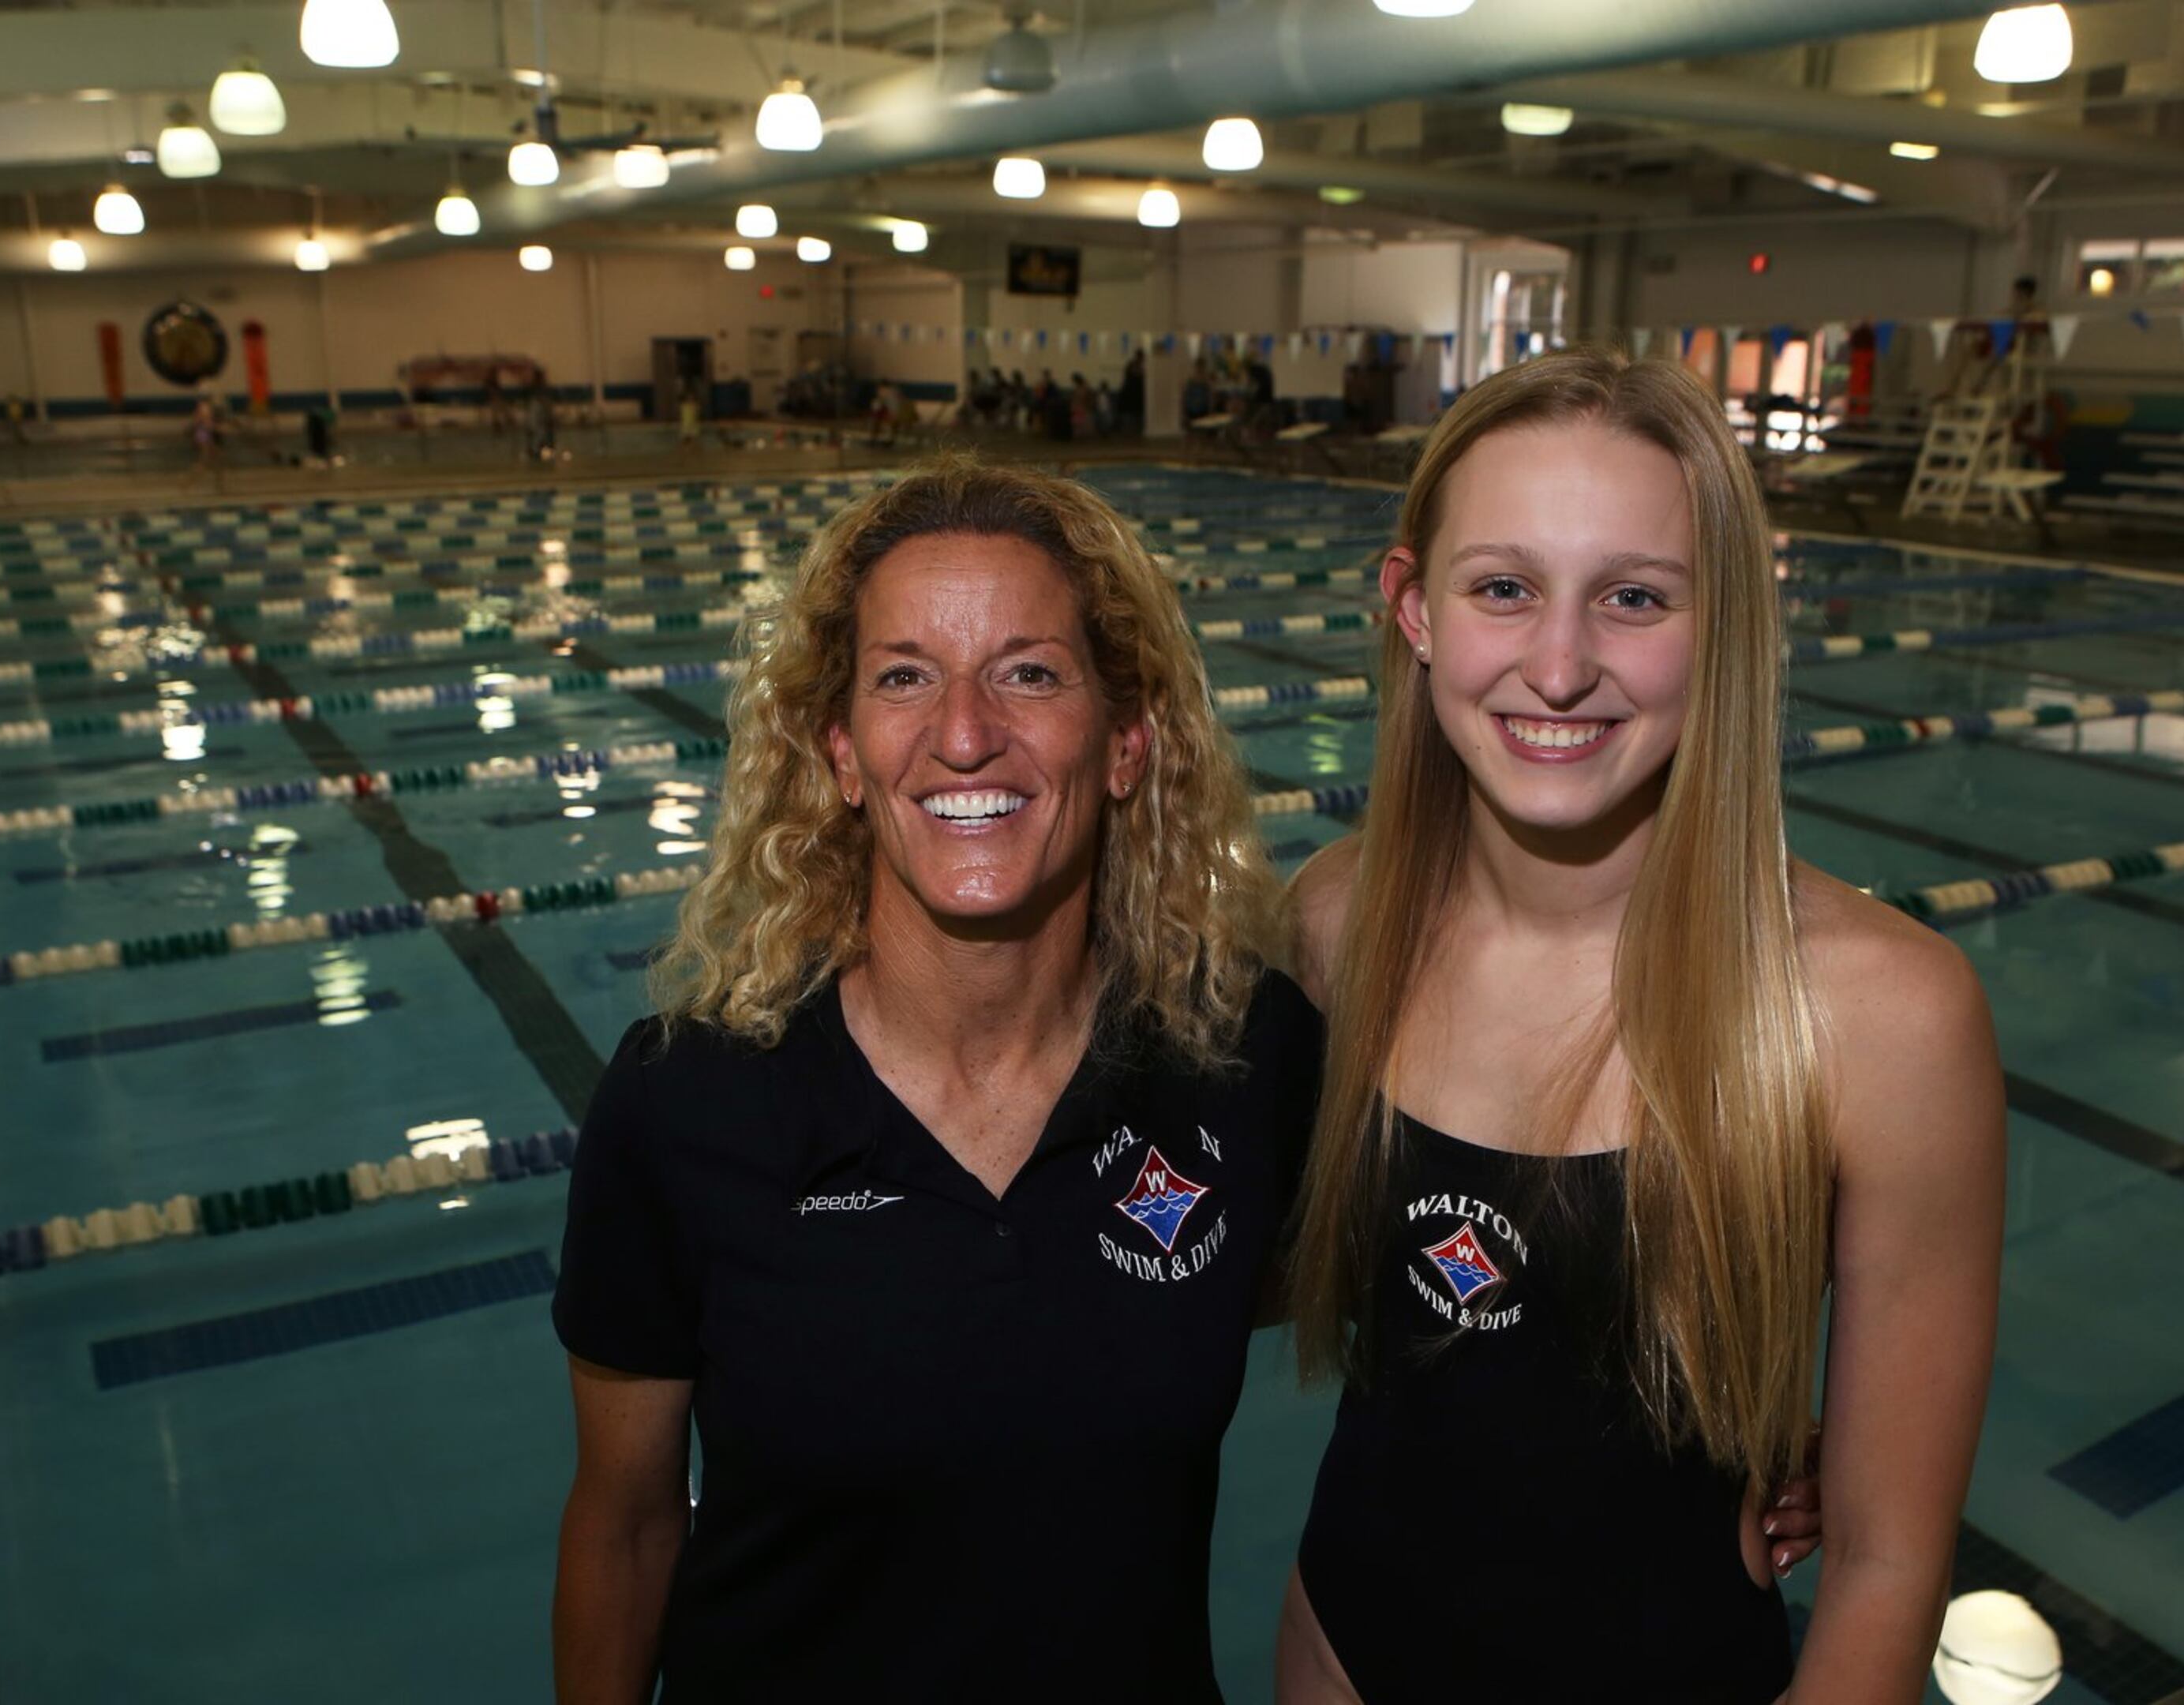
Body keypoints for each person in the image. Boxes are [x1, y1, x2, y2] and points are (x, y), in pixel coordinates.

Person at [1277, 349, 2000, 1703]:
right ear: (1411, 606)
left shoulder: (1876, 1015)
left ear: (1722, 619)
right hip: (1339, 1654)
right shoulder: (1336, 927)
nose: (1560, 668)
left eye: (1633, 598)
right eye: (1503, 588)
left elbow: (1892, 1572)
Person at [549, 460, 1309, 1702]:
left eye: (1029, 672)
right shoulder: (687, 1103)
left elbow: (1456, 1275)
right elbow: (627, 1526)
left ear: (1126, 744)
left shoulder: (1238, 1056)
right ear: (843, 753)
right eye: (906, 676)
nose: (964, 734)